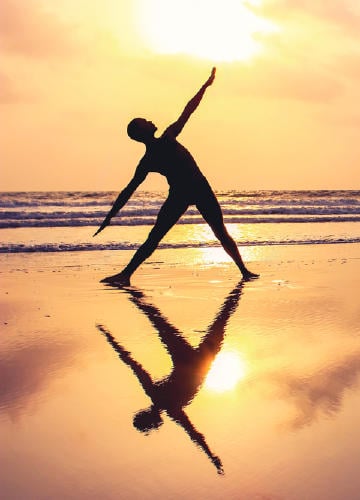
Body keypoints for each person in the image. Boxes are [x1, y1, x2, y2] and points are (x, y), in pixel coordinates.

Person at [95, 67, 258, 286]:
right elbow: (128, 191)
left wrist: (205, 87)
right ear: (142, 133)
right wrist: (109, 217)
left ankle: (244, 271)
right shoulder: (160, 146)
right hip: (183, 192)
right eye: (146, 122)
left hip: (198, 188)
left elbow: (189, 110)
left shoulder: (159, 148)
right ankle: (125, 275)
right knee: (158, 236)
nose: (151, 121)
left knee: (218, 231)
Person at [96, 281, 246, 474]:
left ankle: (131, 291)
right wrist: (110, 338)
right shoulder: (159, 398)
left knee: (221, 318)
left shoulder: (171, 408)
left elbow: (194, 434)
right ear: (145, 413)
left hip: (198, 362)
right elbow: (132, 363)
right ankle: (131, 292)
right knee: (158, 321)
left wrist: (212, 457)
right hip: (188, 359)